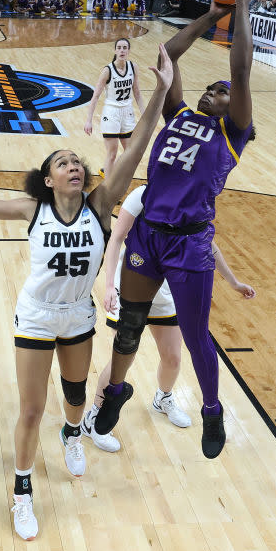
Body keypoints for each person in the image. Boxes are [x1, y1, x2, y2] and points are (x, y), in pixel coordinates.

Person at [0, 41, 174, 541]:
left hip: (80, 316)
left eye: (77, 162)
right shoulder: (32, 209)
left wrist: (161, 91)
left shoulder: (101, 203)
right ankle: (22, 492)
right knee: (30, 409)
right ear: (47, 178)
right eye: (63, 163)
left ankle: (71, 434)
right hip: (38, 315)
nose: (75, 166)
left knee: (76, 397)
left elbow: (139, 144)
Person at [93, 0, 260, 460]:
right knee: (129, 327)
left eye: (223, 93)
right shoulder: (180, 113)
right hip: (148, 234)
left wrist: (243, 4)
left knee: (192, 335)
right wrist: (212, 14)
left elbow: (241, 69)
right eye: (211, 88)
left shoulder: (234, 134)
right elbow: (166, 53)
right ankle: (118, 392)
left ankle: (212, 409)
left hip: (189, 241)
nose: (217, 91)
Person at [83, 183, 256, 452]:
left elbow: (206, 243)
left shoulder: (192, 199)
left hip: (168, 288)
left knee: (173, 357)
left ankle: (162, 399)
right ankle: (94, 415)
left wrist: (232, 281)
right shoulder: (142, 195)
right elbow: (117, 238)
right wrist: (108, 286)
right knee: (123, 356)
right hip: (136, 279)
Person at [83, 38, 144, 178]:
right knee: (112, 154)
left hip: (127, 112)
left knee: (131, 152)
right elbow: (96, 96)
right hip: (111, 113)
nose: (122, 50)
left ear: (128, 50)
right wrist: (89, 120)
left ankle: (108, 170)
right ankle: (108, 188)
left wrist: (144, 114)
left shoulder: (133, 67)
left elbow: (138, 93)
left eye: (125, 47)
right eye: (119, 47)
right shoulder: (107, 70)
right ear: (115, 50)